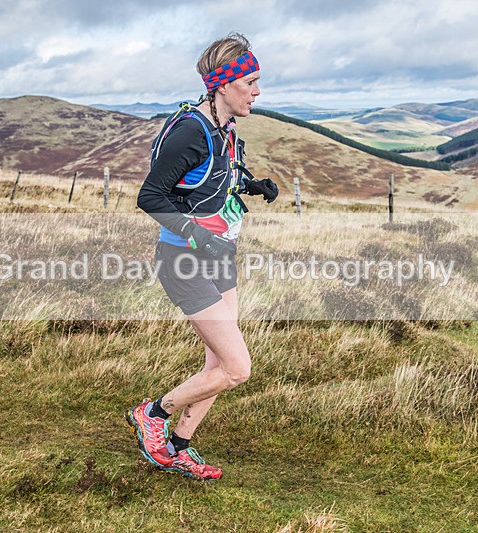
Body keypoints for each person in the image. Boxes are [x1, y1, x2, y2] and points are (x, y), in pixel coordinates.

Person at [126, 32, 279, 481]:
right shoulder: (192, 130)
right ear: (224, 85)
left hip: (219, 256)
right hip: (185, 260)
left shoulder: (223, 127)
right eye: (250, 81)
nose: (257, 91)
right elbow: (151, 196)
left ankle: (177, 447)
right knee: (236, 368)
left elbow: (214, 177)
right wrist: (198, 237)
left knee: (217, 363)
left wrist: (253, 185)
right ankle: (153, 414)